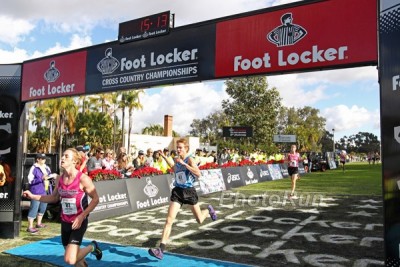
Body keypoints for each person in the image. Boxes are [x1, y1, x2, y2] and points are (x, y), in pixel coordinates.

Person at [23, 148, 102, 266]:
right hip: (65, 222)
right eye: (62, 156)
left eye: (66, 156)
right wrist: (33, 196)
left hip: (78, 222)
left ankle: (93, 247)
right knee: (77, 260)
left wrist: (82, 216)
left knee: (70, 259)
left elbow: (96, 199)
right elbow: (54, 198)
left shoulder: (83, 179)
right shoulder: (60, 178)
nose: (62, 158)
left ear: (74, 161)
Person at [148, 138, 217, 260]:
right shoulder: (177, 159)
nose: (178, 149)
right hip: (178, 192)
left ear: (186, 148)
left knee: (200, 220)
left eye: (180, 147)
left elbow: (198, 173)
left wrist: (185, 164)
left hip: (189, 192)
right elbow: (175, 168)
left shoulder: (190, 159)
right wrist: (164, 157)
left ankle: (208, 210)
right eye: (177, 147)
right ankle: (160, 250)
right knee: (169, 220)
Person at [26, 153, 54, 234]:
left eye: (45, 158)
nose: (44, 160)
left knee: (43, 207)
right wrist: (41, 179)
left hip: (46, 190)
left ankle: (38, 223)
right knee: (34, 208)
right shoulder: (34, 168)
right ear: (38, 159)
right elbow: (30, 180)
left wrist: (51, 177)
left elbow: (49, 176)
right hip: (36, 191)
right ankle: (30, 226)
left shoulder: (46, 167)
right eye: (42, 158)